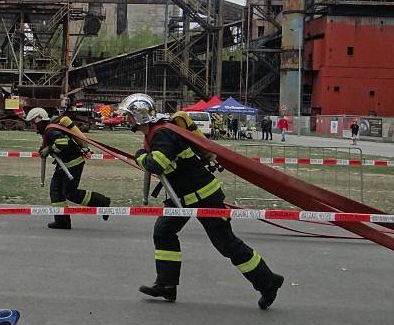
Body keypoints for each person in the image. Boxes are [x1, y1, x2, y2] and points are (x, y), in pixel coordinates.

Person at [118, 93, 284, 309]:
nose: (126, 119)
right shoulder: (156, 132)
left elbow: (156, 164)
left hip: (204, 196)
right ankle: (166, 285)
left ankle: (268, 281)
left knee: (226, 244)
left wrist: (139, 156)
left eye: (129, 115)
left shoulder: (162, 135)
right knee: (163, 232)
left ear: (140, 115)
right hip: (182, 198)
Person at [24, 107, 111, 230]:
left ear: (38, 120)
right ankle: (62, 221)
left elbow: (62, 142)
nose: (32, 126)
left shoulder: (50, 130)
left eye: (33, 123)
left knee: (69, 193)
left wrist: (49, 149)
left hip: (73, 164)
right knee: (56, 191)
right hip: (65, 165)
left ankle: (102, 202)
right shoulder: (50, 129)